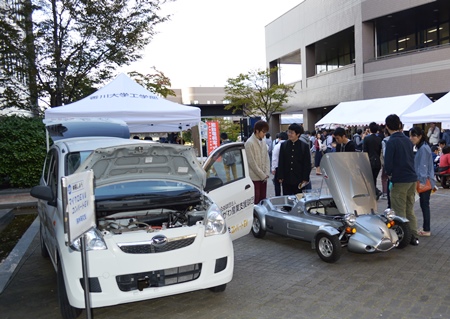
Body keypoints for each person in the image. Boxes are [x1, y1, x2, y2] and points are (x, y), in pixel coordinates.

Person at [384, 114, 419, 246]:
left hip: (400, 179)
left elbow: (388, 164)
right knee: (409, 208)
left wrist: (390, 174)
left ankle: (403, 237)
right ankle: (413, 236)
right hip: (411, 178)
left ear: (387, 127)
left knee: (399, 210)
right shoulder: (407, 140)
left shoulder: (391, 141)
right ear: (399, 125)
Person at [409, 126, 436, 237]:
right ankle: (426, 228)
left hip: (425, 181)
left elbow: (423, 167)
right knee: (424, 205)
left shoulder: (423, 148)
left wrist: (422, 182)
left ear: (420, 136)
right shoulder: (422, 147)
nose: (411, 138)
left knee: (424, 205)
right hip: (425, 180)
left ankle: (426, 229)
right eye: (410, 135)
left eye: (413, 135)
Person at [277, 123, 311, 195]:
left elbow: (307, 163)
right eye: (288, 132)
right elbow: (281, 161)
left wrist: (305, 178)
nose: (289, 134)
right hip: (286, 178)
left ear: (298, 134)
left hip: (299, 178)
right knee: (287, 199)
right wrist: (280, 176)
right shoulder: (284, 145)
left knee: (299, 199)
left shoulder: (304, 146)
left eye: (291, 133)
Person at [245, 120, 271, 204]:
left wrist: (266, 173)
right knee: (256, 200)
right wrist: (262, 175)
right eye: (263, 132)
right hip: (254, 177)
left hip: (264, 177)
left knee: (263, 199)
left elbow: (267, 158)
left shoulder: (263, 141)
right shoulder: (249, 143)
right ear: (257, 131)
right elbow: (252, 163)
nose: (264, 135)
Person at [363, 122, 383, 199]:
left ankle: (375, 192)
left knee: (370, 179)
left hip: (369, 160)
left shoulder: (367, 139)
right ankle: (375, 192)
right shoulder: (379, 139)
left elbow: (365, 151)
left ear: (370, 129)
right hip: (377, 161)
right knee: (373, 178)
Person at [271, 131, 288, 196]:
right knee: (286, 185)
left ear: (279, 138)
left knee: (277, 184)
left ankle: (278, 196)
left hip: (278, 167)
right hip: (287, 168)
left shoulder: (277, 146)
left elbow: (274, 158)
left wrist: (273, 168)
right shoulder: (288, 145)